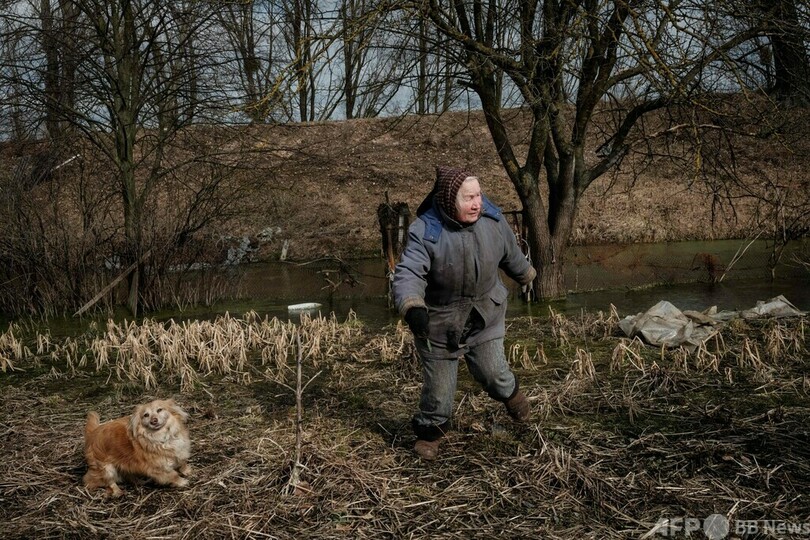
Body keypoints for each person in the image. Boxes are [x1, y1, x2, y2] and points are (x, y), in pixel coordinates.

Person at [392, 165, 537, 460]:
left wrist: (525, 274)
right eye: (469, 198)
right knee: (440, 390)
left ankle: (513, 397)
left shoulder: (492, 221)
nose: (477, 203)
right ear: (448, 200)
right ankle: (430, 433)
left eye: (479, 195)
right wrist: (412, 306)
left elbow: (510, 252)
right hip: (439, 320)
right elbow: (408, 273)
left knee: (494, 372)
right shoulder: (425, 231)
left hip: (485, 312)